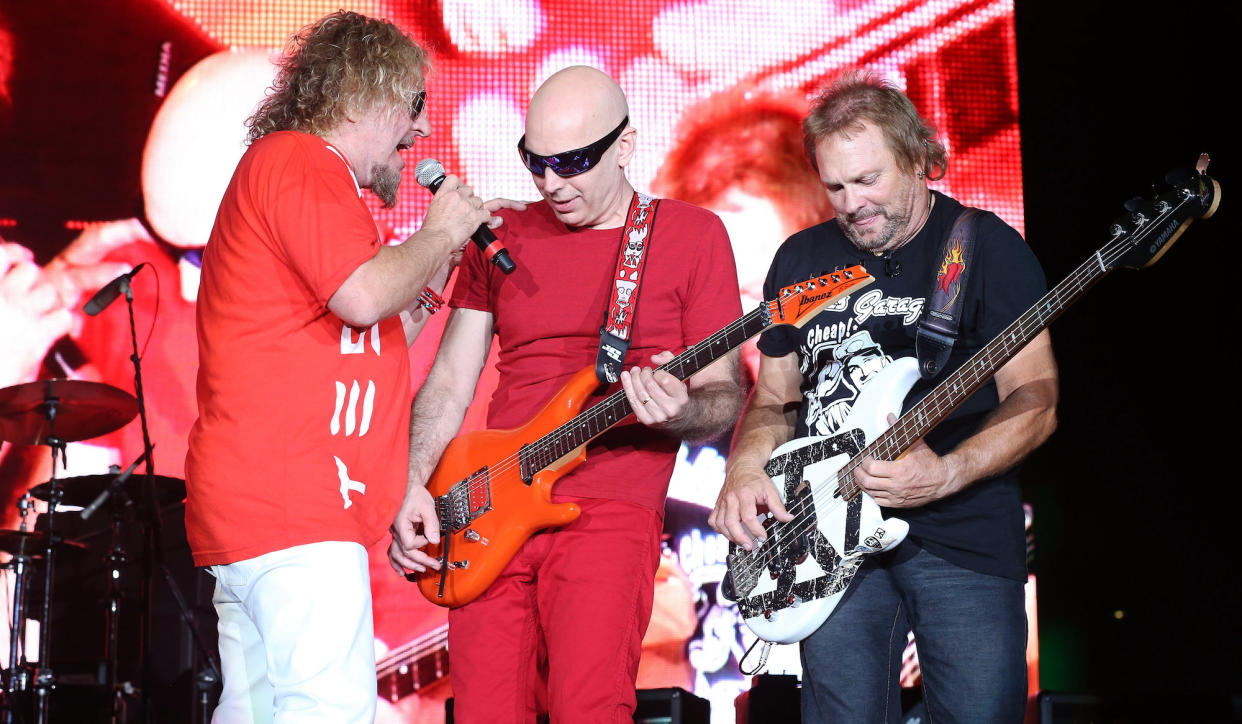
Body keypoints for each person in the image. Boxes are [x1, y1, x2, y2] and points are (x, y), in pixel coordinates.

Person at [184, 11, 519, 722]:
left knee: (259, 711)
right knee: (328, 711)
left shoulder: (303, 178)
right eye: (416, 107)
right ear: (370, 97)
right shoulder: (300, 161)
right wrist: (439, 230)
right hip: (291, 509)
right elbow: (363, 296)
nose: (422, 135)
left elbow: (370, 327)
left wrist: (440, 264)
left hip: (262, 513)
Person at [387, 65, 745, 723]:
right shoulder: (503, 235)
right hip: (487, 501)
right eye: (537, 162)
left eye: (574, 163)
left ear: (627, 146)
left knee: (590, 709)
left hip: (608, 510)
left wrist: (678, 411)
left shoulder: (692, 236)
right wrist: (412, 483)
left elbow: (722, 394)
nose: (552, 184)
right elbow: (447, 386)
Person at [709, 69, 1058, 722]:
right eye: (835, 186)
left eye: (868, 180)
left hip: (964, 538)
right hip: (829, 544)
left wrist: (947, 470)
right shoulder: (800, 261)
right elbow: (774, 398)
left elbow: (1036, 397)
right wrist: (746, 465)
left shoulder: (985, 248)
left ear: (920, 158)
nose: (852, 204)